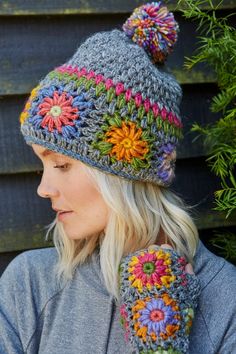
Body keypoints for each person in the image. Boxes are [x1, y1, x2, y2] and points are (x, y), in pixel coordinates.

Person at [0, 2, 235, 353]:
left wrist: (159, 344)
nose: (43, 188)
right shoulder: (29, 286)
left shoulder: (226, 302)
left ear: (124, 174)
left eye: (61, 164)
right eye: (41, 166)